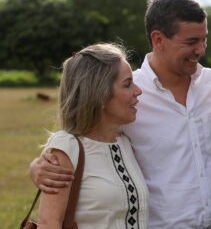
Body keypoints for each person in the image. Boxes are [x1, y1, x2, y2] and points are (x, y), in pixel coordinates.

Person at [30, 0, 211, 229]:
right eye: (191, 42)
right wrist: (38, 167)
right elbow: (82, 138)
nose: (201, 49)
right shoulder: (127, 96)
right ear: (158, 40)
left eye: (204, 39)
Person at [36, 43, 148, 229]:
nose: (138, 91)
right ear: (100, 93)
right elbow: (49, 223)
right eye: (128, 84)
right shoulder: (67, 147)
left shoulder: (125, 143)